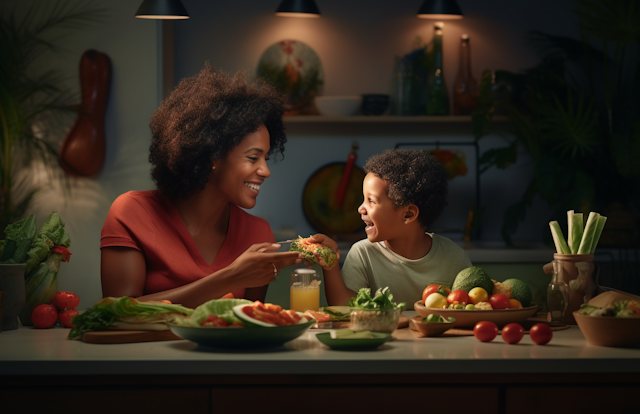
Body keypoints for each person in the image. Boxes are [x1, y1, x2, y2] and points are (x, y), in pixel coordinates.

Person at [100, 64, 303, 308]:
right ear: (211, 156)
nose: (265, 171)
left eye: (266, 158)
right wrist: (231, 277)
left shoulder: (259, 236)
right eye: (252, 157)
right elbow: (116, 313)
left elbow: (248, 324)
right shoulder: (132, 212)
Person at [316, 149, 472, 309]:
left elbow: (470, 307)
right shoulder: (362, 254)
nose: (361, 209)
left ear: (408, 214)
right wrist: (331, 265)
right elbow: (343, 305)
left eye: (371, 201)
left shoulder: (454, 257)